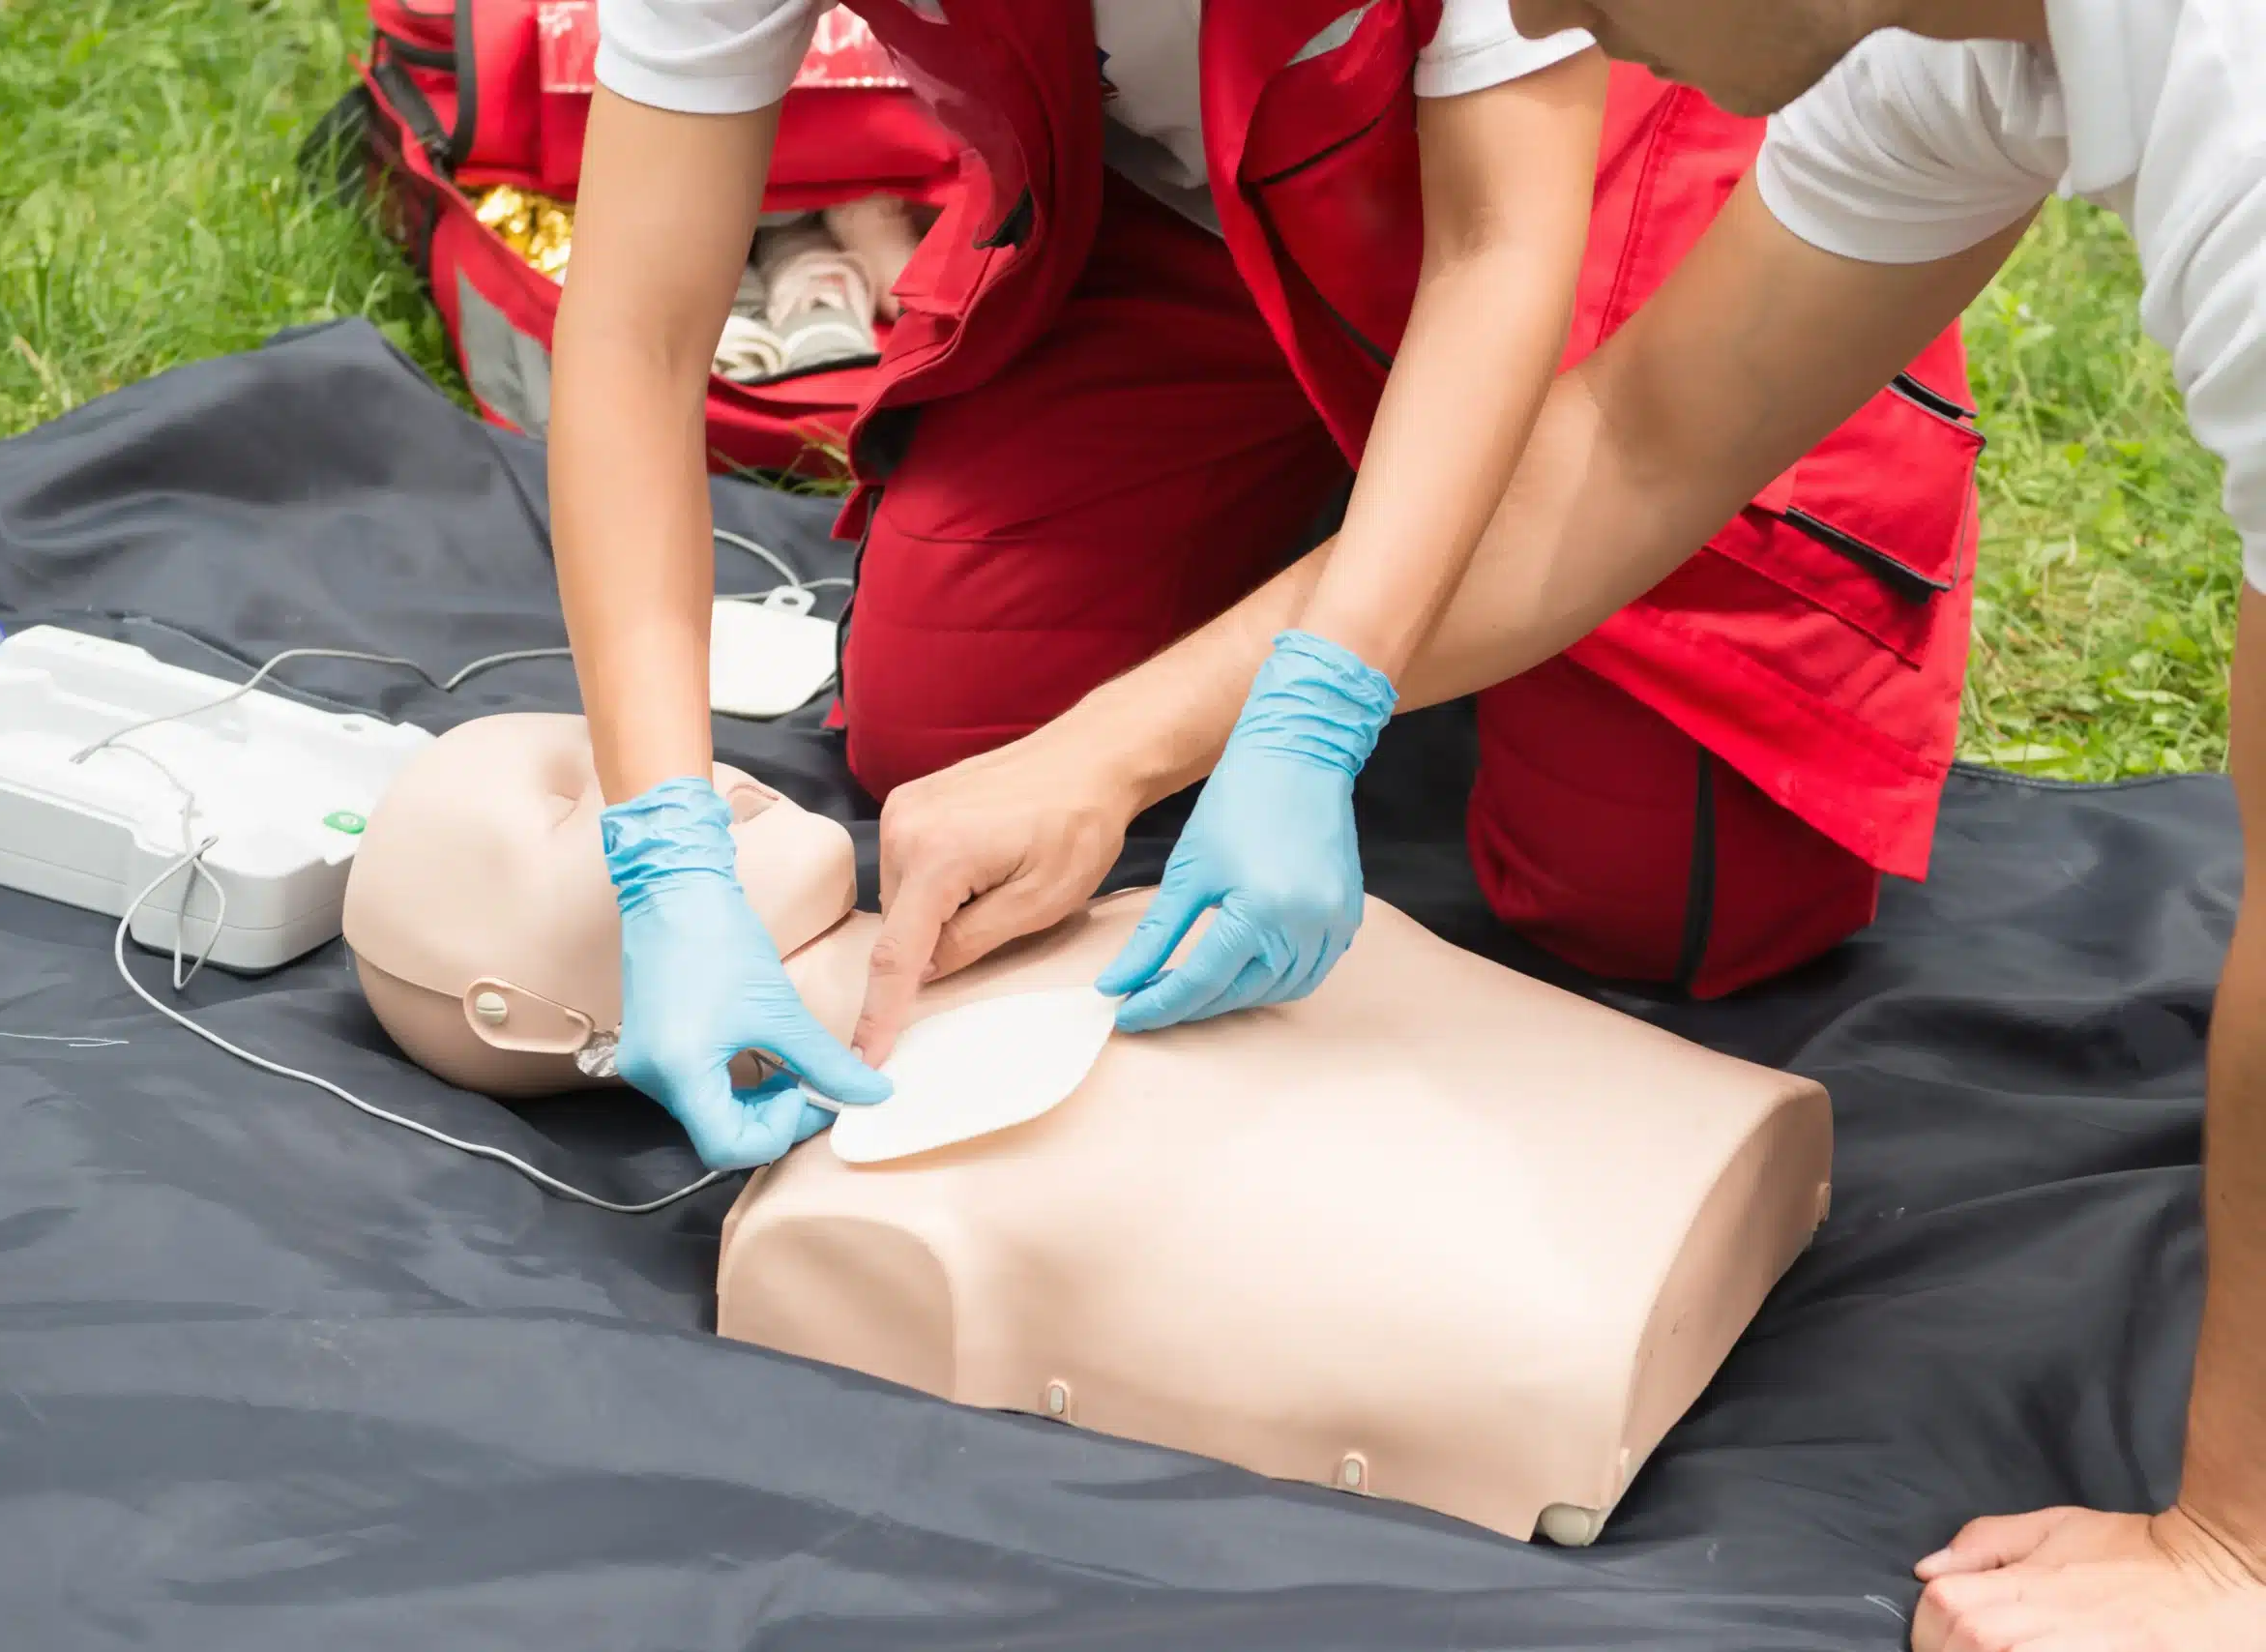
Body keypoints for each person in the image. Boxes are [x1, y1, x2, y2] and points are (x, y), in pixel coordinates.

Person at [868, 0, 2266, 1643]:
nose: (1520, 17)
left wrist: (2231, 1542)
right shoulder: (1964, 52)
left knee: (1682, 880)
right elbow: (1632, 439)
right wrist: (1113, 752)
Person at [550, 1, 1984, 1169]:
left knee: (1663, 904)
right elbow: (632, 334)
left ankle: (1386, 555)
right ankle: (1329, 508)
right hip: (1189, 217)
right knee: (947, 741)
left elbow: (1497, 251)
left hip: (1589, 168)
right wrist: (664, 856)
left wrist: (1315, 705)